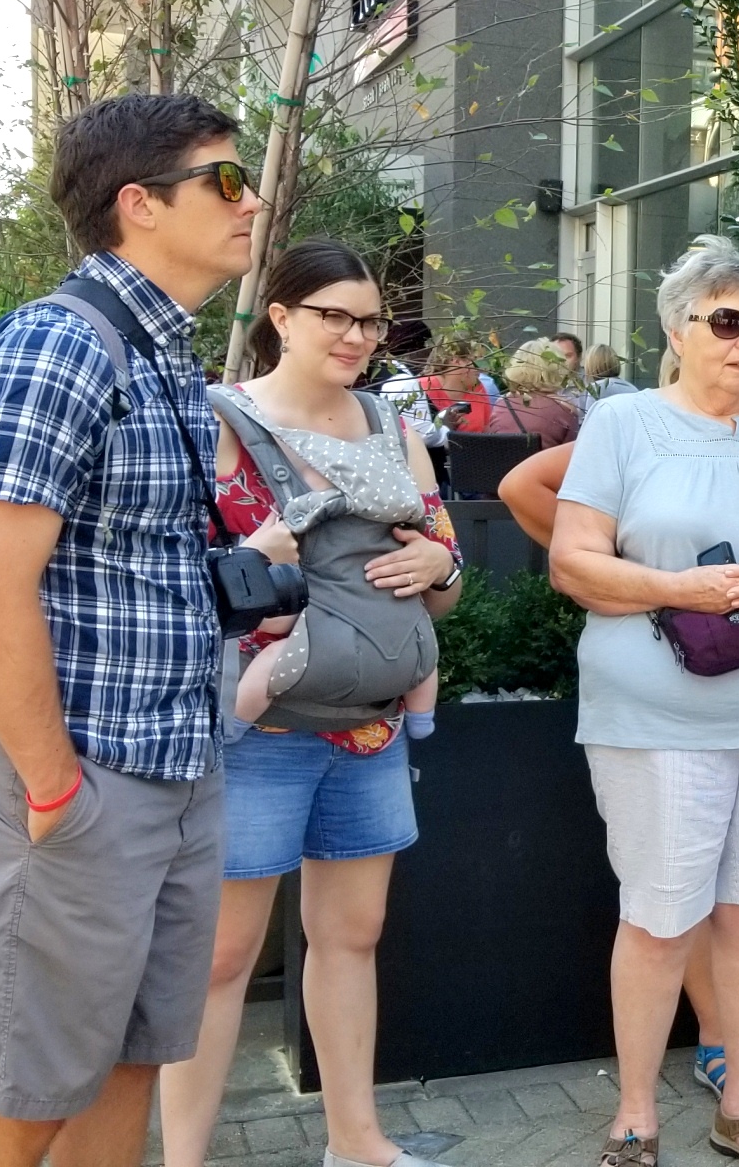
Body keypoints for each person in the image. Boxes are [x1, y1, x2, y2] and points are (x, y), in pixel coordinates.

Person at [0, 94, 260, 1165]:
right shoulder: (56, 346)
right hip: (77, 781)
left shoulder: (160, 350)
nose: (249, 198)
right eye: (223, 179)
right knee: (33, 1093)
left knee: (129, 1060)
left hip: (170, 767)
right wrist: (52, 791)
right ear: (139, 205)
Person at [550, 235, 739, 1167]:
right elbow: (573, 562)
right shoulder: (623, 425)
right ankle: (636, 1119)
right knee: (658, 918)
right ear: (678, 330)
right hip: (660, 715)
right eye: (726, 322)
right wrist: (683, 589)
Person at [157, 240, 466, 1167]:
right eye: (333, 314)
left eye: (369, 320)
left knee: (353, 934)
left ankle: (355, 1140)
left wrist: (439, 564)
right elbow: (168, 576)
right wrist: (261, 552)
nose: (356, 336)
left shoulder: (387, 423)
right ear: (279, 317)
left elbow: (443, 577)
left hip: (367, 719)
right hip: (256, 722)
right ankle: (184, 1158)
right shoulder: (215, 420)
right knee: (220, 957)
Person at [500, 440, 739, 1122]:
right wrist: (630, 577)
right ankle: (717, 1039)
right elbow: (521, 486)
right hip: (677, 691)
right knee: (681, 888)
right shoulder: (634, 425)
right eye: (722, 323)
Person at [500, 338, 587, 447]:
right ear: (555, 369)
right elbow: (571, 457)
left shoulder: (500, 405)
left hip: (507, 464)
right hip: (548, 463)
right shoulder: (565, 410)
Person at [419, 333, 505, 432]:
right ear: (456, 361)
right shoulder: (423, 389)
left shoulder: (477, 388)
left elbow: (487, 432)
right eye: (476, 361)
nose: (483, 369)